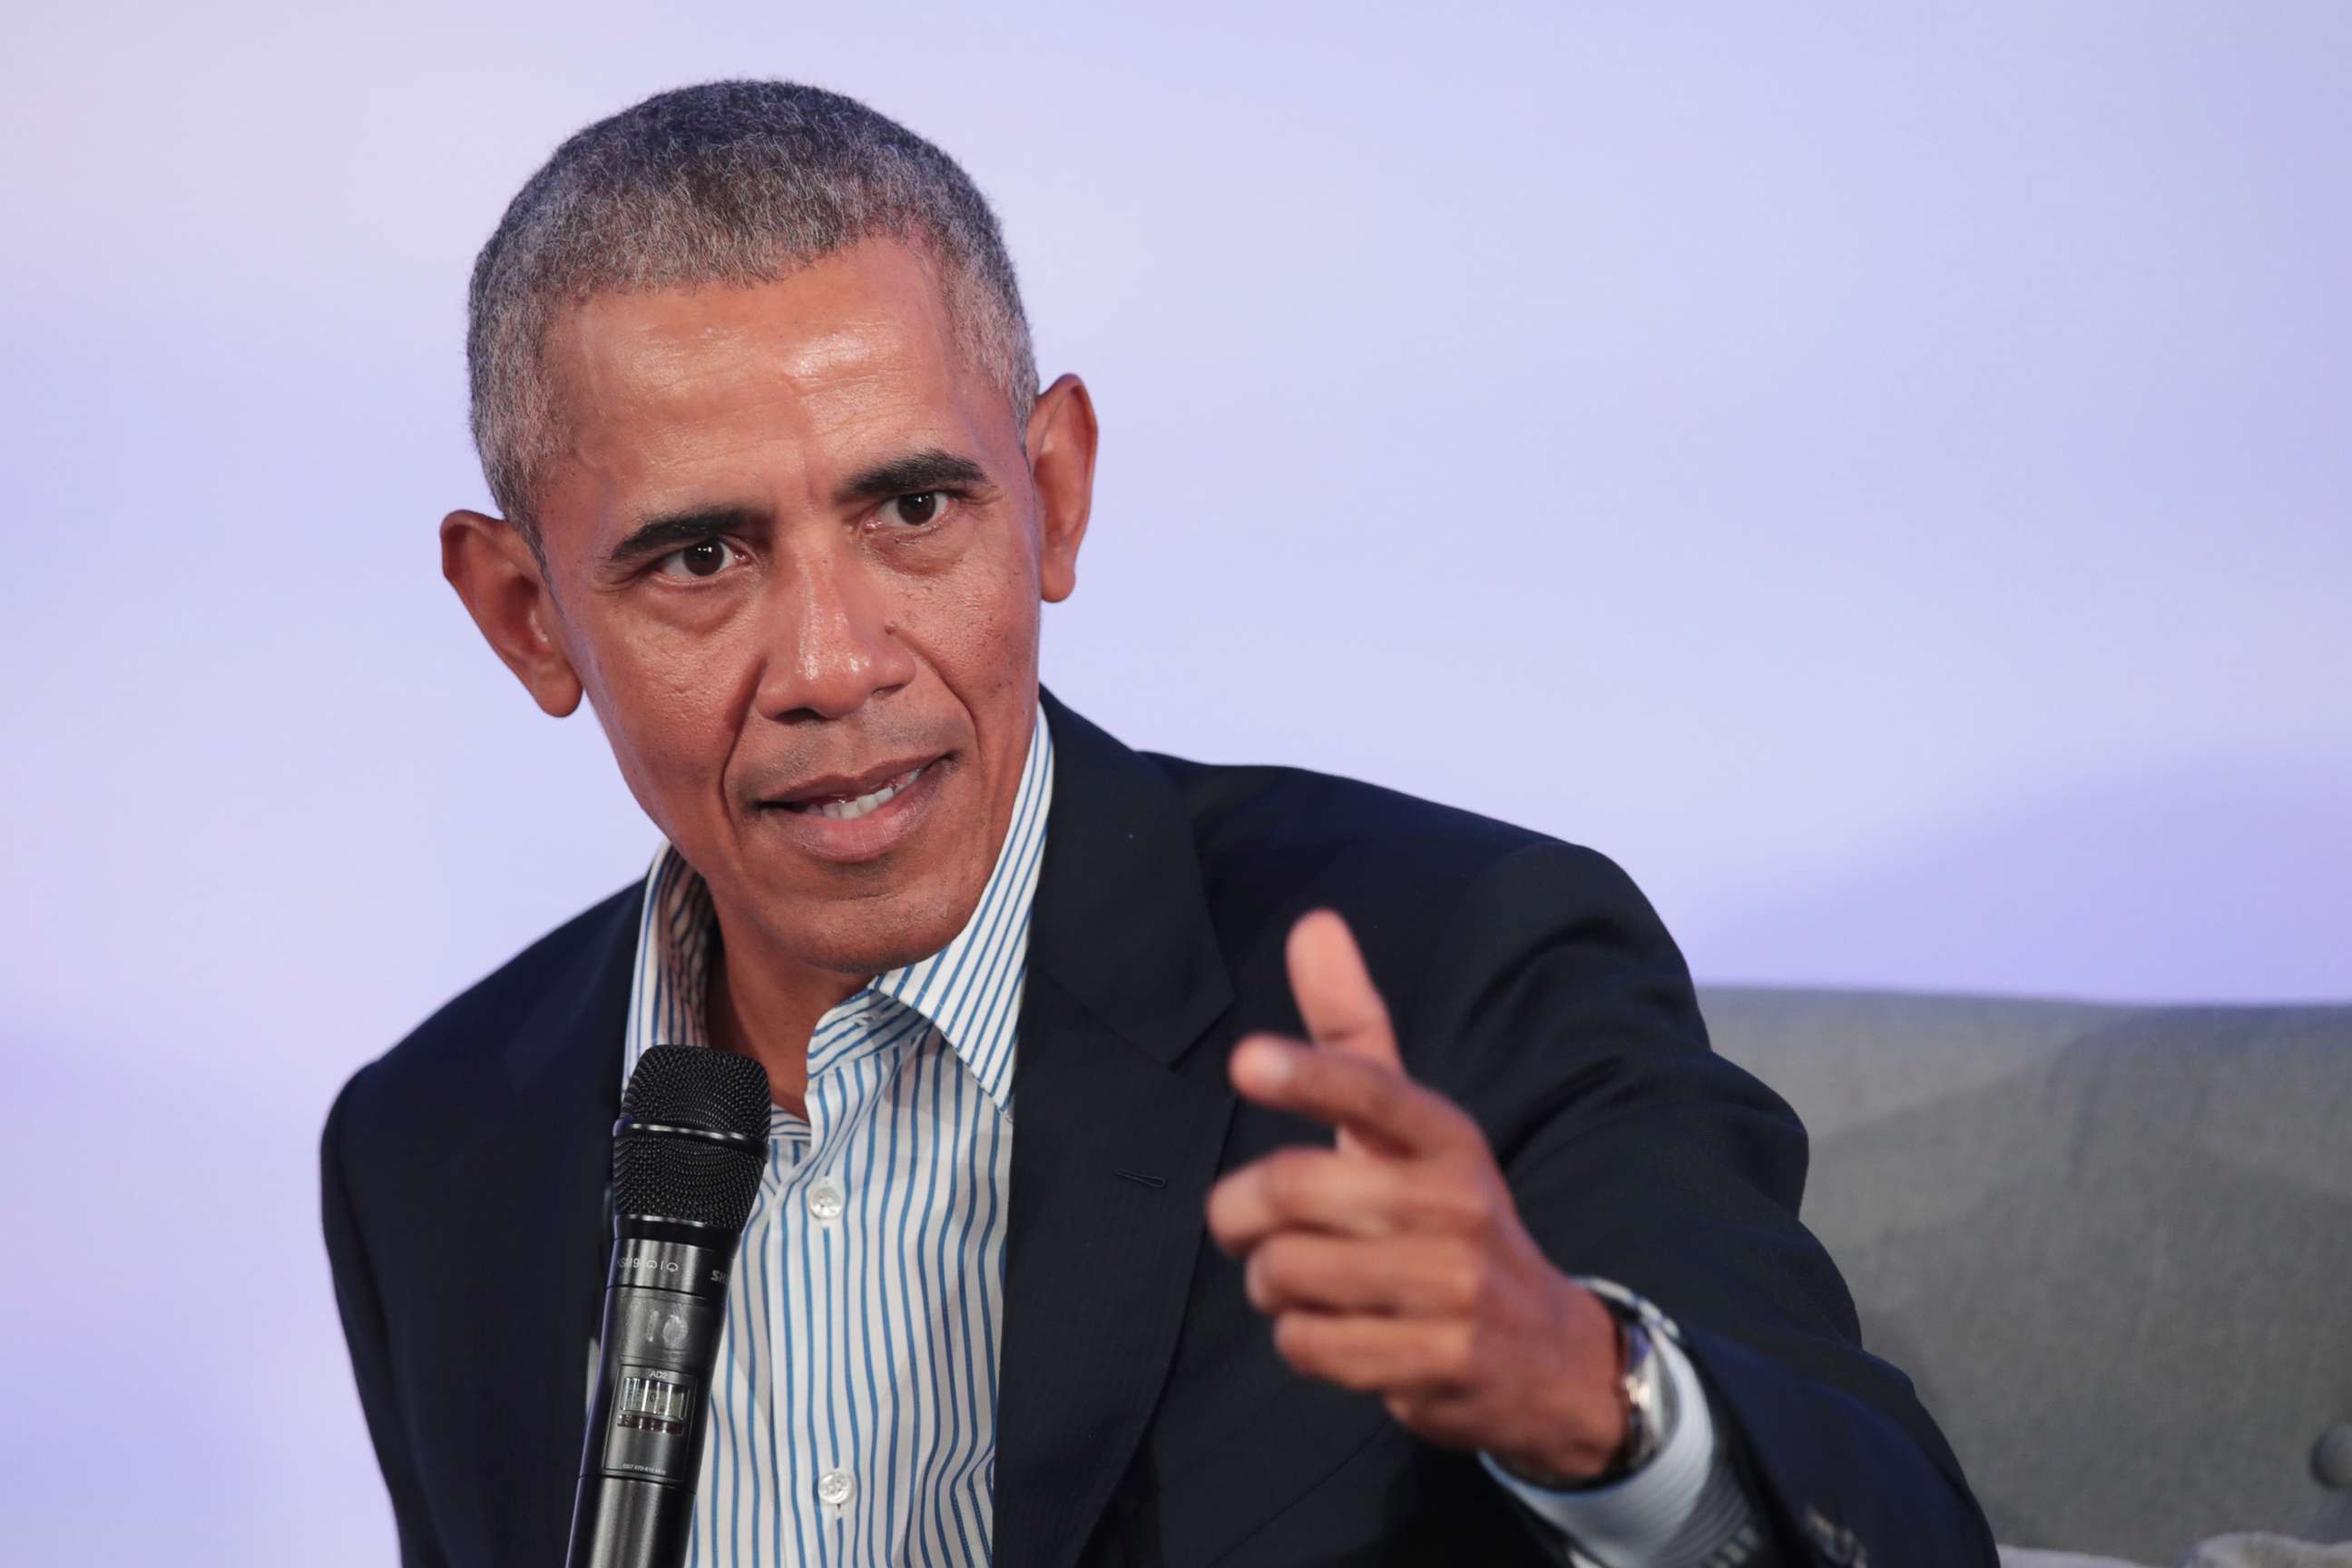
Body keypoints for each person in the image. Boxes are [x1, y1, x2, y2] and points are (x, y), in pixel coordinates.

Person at [321, 80, 1994, 1568]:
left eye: (913, 509)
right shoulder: (436, 1147)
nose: (834, 664)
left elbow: (1899, 1528)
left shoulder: (1464, 972)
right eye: (701, 558)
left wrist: (1587, 1396)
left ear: (1052, 491)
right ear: (525, 613)